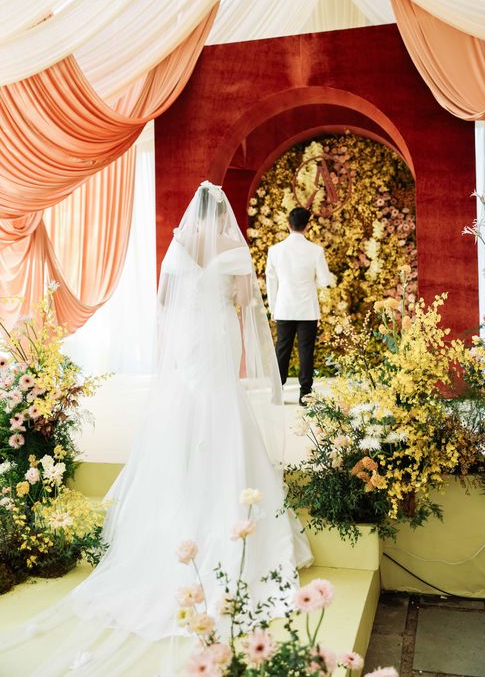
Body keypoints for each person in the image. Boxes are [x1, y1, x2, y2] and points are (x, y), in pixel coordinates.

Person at [0, 182, 311, 677]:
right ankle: (230, 500)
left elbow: (165, 304)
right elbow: (244, 302)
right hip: (217, 335)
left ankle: (184, 493)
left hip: (189, 339)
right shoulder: (230, 245)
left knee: (187, 408)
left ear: (193, 213)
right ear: (222, 214)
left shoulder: (180, 245)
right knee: (223, 404)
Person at [266, 207, 333, 406]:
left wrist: (273, 308)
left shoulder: (275, 250)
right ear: (308, 226)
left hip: (284, 306)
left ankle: (277, 393)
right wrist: (314, 281)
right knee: (306, 351)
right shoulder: (316, 250)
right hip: (307, 308)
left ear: (288, 224)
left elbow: (271, 281)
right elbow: (325, 281)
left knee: (282, 349)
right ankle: (305, 394)